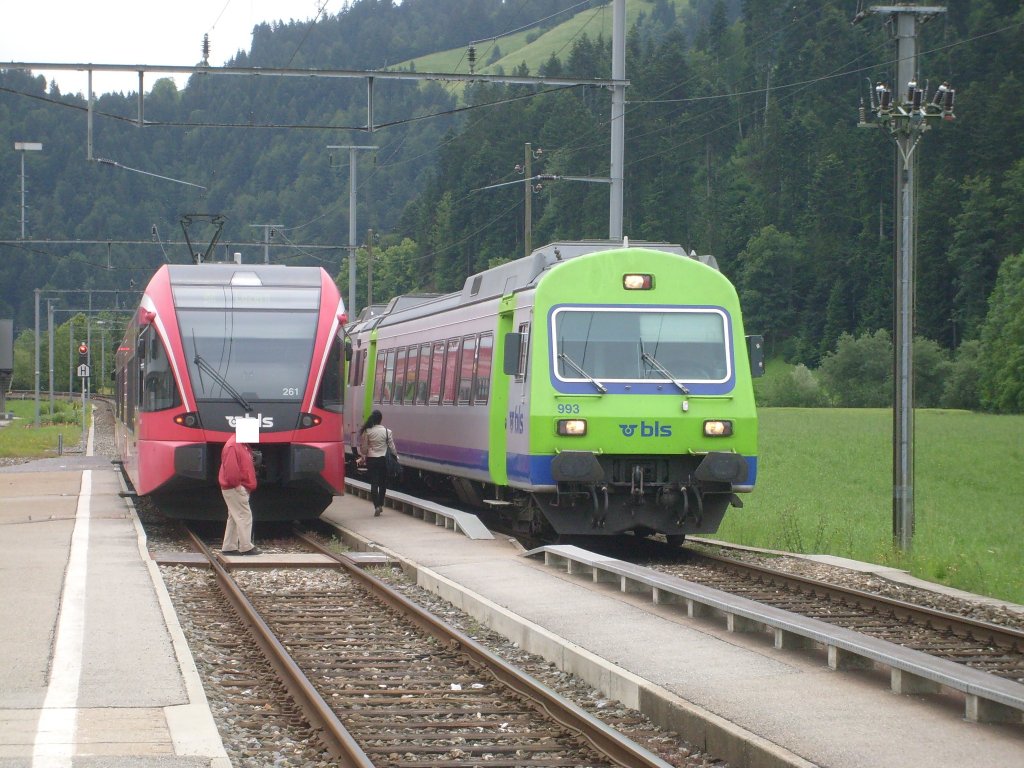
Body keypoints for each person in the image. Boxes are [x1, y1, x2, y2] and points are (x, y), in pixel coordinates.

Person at [218, 432, 261, 555]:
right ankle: (246, 546)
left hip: (234, 487)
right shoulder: (233, 445)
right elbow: (231, 469)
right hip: (234, 487)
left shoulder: (240, 445)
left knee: (234, 516)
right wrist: (237, 485)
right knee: (244, 515)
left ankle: (229, 547)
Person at [358, 409, 398, 516]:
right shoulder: (387, 431)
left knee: (374, 483)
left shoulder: (368, 431)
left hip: (372, 459)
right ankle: (380, 504)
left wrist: (364, 455)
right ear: (381, 419)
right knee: (383, 483)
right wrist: (395, 456)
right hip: (383, 459)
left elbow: (364, 448)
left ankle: (376, 506)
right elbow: (392, 447)